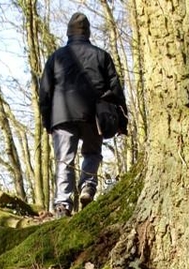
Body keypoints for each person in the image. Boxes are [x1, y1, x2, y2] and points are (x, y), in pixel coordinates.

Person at [39, 12, 127, 218]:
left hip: (62, 116)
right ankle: (87, 187)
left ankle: (62, 205)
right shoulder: (101, 55)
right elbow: (116, 90)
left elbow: (44, 92)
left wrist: (47, 121)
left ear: (69, 33)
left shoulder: (56, 57)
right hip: (93, 114)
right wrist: (122, 122)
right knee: (92, 153)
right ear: (88, 33)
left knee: (64, 160)